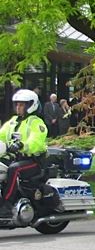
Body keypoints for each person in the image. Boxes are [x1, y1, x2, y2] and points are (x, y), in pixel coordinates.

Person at [0, 90, 48, 218]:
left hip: (34, 161)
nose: (18, 107)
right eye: (17, 104)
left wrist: (21, 145)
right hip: (16, 158)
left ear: (30, 105)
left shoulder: (36, 122)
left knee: (14, 169)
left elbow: (36, 141)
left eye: (21, 105)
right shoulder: (13, 121)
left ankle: (7, 205)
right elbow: (1, 136)